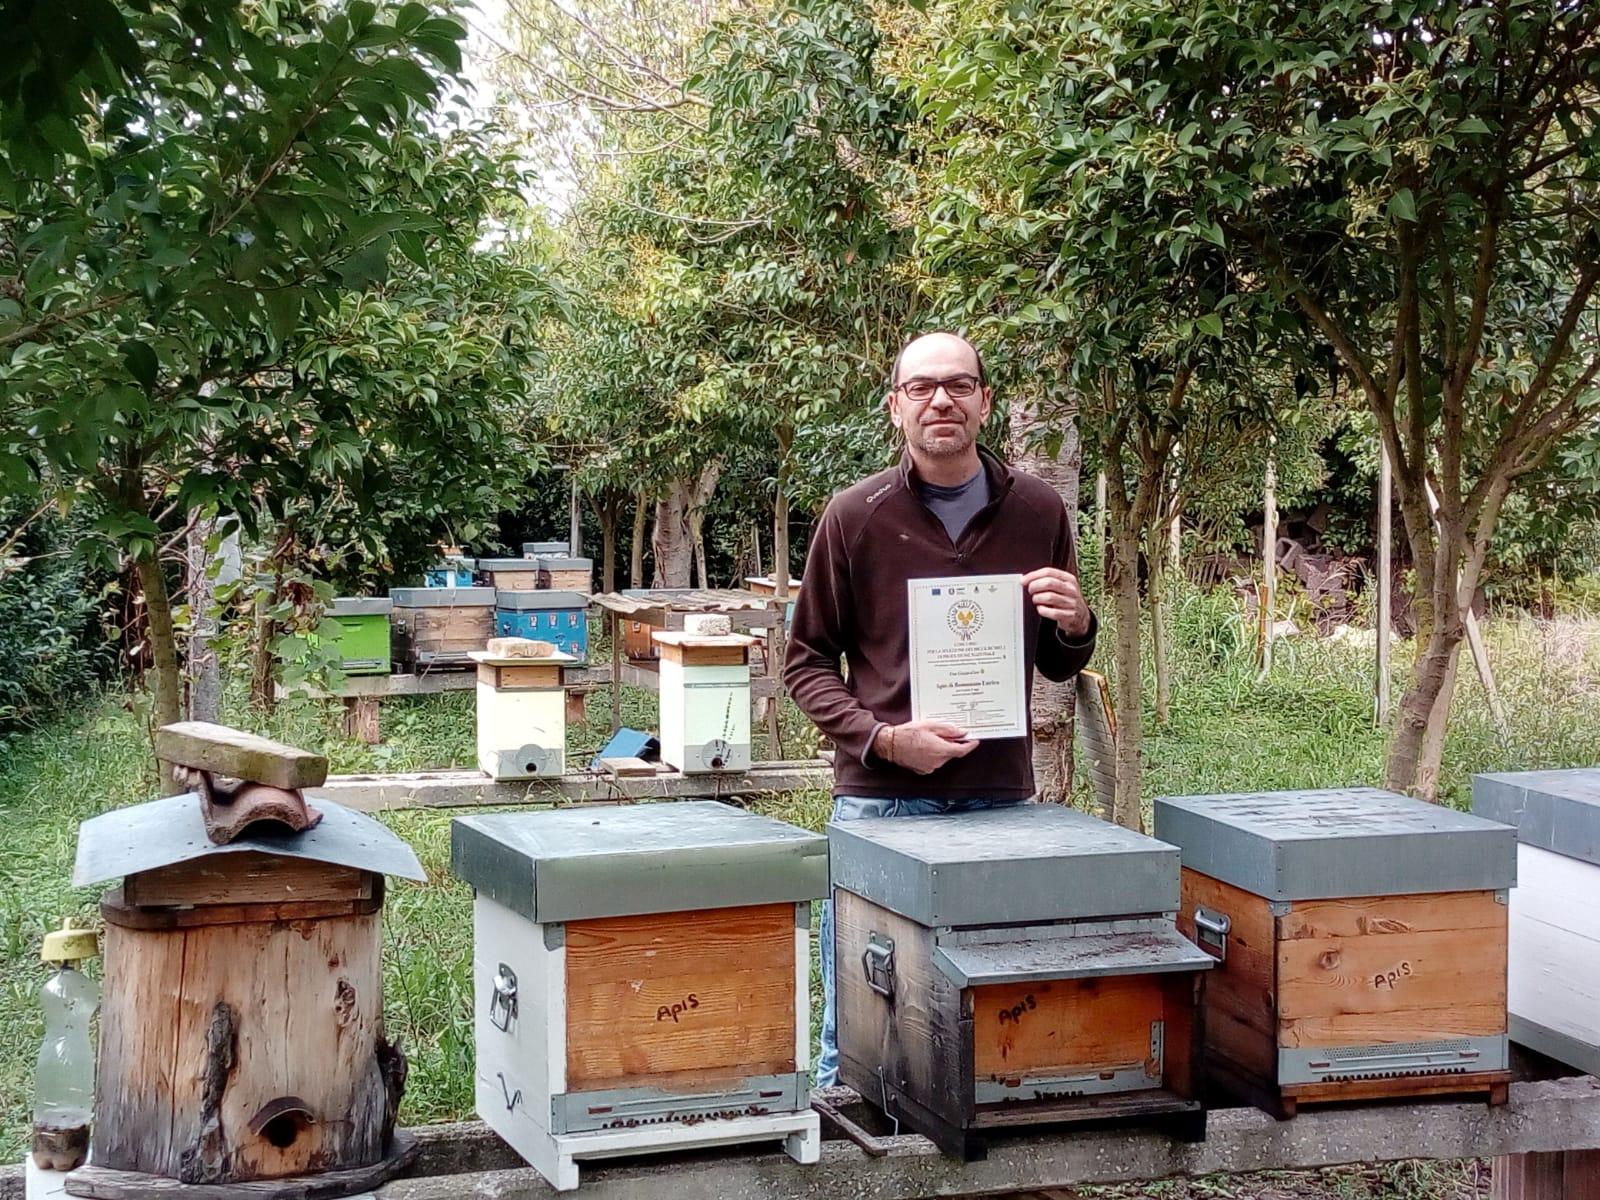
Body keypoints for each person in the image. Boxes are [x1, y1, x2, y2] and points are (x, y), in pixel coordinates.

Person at [785, 330, 1098, 1086]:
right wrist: (885, 739)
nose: (941, 401)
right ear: (895, 407)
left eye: (959, 385)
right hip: (883, 804)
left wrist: (1078, 624)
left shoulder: (1038, 510)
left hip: (1000, 799)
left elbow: (1057, 661)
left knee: (996, 1013)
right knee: (861, 1027)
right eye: (922, 387)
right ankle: (852, 1142)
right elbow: (805, 662)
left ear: (985, 402)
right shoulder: (854, 516)